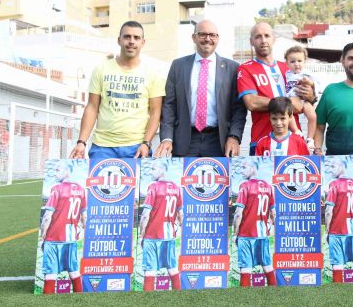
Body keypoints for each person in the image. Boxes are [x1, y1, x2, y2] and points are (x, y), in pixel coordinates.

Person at [69, 21, 164, 161]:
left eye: (136, 38)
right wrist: (81, 142)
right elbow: (92, 107)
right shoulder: (101, 69)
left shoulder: (153, 74)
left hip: (137, 147)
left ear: (143, 42)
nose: (131, 41)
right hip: (102, 147)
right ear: (119, 40)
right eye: (127, 37)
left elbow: (156, 112)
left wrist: (146, 143)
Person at [155, 20, 247, 158]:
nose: (208, 39)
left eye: (212, 35)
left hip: (219, 141)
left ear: (218, 38)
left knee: (219, 179)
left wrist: (234, 136)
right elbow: (169, 105)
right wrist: (167, 138)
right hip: (185, 140)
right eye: (202, 34)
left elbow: (239, 108)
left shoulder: (232, 68)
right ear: (194, 37)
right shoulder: (178, 66)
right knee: (185, 179)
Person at [237, 23, 316, 155]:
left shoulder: (288, 68)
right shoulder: (245, 69)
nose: (263, 40)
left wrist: (310, 95)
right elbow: (252, 102)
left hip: (294, 141)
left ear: (274, 38)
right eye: (258, 37)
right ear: (251, 41)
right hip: (262, 141)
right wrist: (288, 104)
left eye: (267, 36)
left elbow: (306, 100)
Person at [39, 160, 87, 294]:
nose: (54, 173)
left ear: (67, 171)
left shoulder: (57, 188)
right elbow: (84, 216)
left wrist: (43, 237)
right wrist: (83, 230)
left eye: (57, 170)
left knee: (50, 273)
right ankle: (80, 298)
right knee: (74, 271)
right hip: (71, 238)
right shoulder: (80, 189)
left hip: (54, 237)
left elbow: (47, 216)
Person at [138, 159, 183, 291]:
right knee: (173, 269)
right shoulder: (176, 187)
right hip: (169, 235)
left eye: (153, 169)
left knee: (150, 271)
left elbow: (145, 215)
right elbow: (181, 214)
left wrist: (141, 235)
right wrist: (178, 229)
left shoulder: (154, 186)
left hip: (153, 235)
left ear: (162, 170)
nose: (151, 172)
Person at [233, 158, 277, 286]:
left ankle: (245, 299)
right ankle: (276, 295)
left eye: (244, 167)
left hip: (246, 233)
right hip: (263, 233)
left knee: (246, 267)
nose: (241, 171)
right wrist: (271, 226)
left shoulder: (245, 186)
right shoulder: (268, 187)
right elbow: (273, 213)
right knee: (267, 265)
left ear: (253, 168)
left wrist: (235, 234)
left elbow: (238, 213)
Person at [324, 157, 353, 283]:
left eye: (333, 167)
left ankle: (337, 294)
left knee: (337, 263)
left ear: (341, 167)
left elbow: (328, 211)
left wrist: (327, 231)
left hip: (337, 230)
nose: (330, 170)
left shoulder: (335, 184)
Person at [284, 46, 318, 152]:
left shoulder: (308, 74)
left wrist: (311, 83)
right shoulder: (286, 74)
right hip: (292, 100)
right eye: (292, 61)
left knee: (312, 116)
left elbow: (317, 86)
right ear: (287, 63)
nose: (296, 64)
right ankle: (296, 131)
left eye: (299, 61)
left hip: (305, 100)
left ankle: (310, 139)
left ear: (304, 61)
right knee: (288, 113)